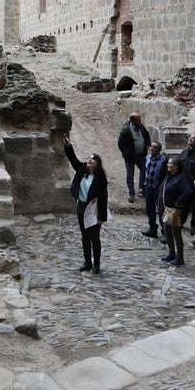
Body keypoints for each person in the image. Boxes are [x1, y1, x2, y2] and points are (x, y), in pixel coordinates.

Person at [63, 135, 108, 274]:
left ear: (98, 164)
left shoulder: (100, 178)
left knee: (94, 237)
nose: (89, 159)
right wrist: (68, 146)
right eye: (89, 157)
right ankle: (87, 262)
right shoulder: (82, 170)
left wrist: (102, 217)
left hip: (93, 209)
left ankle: (97, 264)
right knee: (85, 236)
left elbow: (103, 198)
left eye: (93, 158)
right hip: (81, 207)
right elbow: (73, 159)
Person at [160, 157, 195, 267]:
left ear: (176, 166)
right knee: (167, 231)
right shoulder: (169, 176)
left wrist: (178, 202)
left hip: (175, 211)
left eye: (170, 164)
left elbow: (189, 192)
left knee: (176, 233)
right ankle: (171, 253)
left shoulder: (181, 178)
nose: (167, 165)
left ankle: (180, 257)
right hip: (168, 209)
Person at [117, 112, 150, 203]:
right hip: (130, 157)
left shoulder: (141, 127)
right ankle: (131, 193)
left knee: (144, 170)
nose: (140, 121)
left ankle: (141, 189)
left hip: (141, 155)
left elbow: (147, 136)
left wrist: (147, 144)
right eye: (138, 120)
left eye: (140, 120)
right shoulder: (126, 130)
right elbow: (120, 144)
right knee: (130, 174)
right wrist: (126, 153)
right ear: (133, 121)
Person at [142, 141, 169, 238]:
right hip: (148, 187)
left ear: (159, 150)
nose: (152, 149)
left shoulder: (164, 160)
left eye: (155, 148)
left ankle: (165, 232)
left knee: (161, 211)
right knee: (150, 210)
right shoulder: (147, 158)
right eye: (151, 147)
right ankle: (152, 228)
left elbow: (167, 175)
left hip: (158, 189)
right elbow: (145, 171)